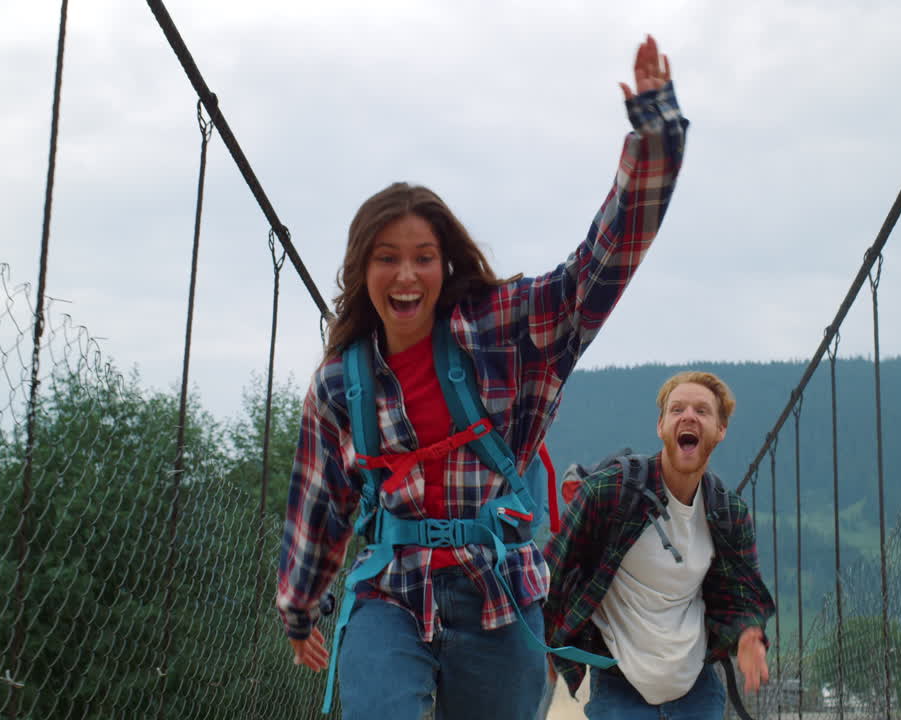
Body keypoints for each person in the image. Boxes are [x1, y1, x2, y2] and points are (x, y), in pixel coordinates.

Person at [276, 35, 688, 720]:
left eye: (423, 257)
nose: (406, 275)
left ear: (446, 265)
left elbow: (601, 268)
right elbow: (319, 508)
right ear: (362, 272)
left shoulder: (502, 332)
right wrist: (300, 610)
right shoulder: (339, 386)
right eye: (386, 258)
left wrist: (655, 132)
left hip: (498, 594)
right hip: (392, 593)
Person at [543, 371, 775, 720]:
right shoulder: (611, 492)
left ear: (721, 430)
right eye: (677, 408)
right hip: (620, 686)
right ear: (661, 426)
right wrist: (545, 648)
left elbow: (743, 593)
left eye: (702, 410)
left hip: (696, 689)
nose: (689, 416)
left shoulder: (728, 514)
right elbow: (555, 571)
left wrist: (749, 635)